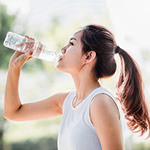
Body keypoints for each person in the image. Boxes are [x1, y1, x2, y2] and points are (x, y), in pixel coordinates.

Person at [4, 24, 150, 150]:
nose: (62, 49)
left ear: (88, 56)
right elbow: (13, 113)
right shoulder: (66, 101)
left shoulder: (100, 103)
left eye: (71, 44)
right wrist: (14, 67)